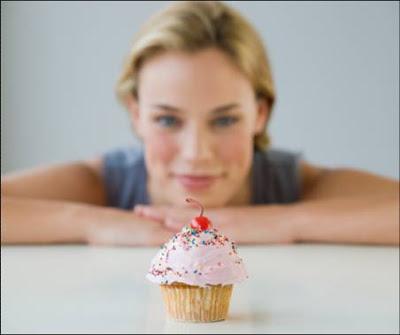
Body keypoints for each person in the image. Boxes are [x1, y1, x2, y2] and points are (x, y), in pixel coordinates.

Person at [1, 1, 398, 246]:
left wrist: (282, 221)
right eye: (167, 120)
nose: (196, 153)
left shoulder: (293, 186)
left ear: (260, 113)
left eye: (224, 119)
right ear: (136, 113)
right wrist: (92, 224)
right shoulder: (103, 184)